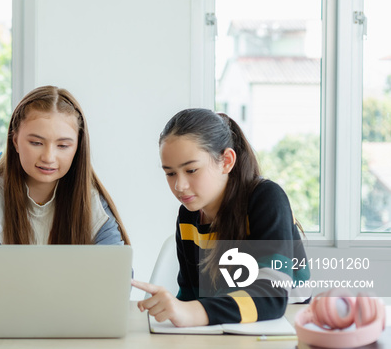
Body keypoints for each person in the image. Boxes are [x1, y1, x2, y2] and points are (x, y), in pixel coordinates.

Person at [0, 85, 131, 317]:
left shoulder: (92, 203)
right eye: (36, 142)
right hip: (4, 326)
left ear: (77, 148)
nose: (49, 157)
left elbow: (117, 275)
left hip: (72, 326)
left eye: (63, 145)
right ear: (16, 141)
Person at [132, 108, 309, 327]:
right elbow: (191, 295)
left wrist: (189, 312)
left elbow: (271, 297)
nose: (179, 186)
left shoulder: (267, 198)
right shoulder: (188, 216)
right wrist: (175, 309)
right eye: (170, 173)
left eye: (191, 170)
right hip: (227, 326)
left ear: (226, 161)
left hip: (286, 324)